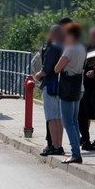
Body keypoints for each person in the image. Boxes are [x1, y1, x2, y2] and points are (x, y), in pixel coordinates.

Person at [54, 23, 86, 164]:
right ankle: (76, 149)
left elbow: (57, 68)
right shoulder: (81, 48)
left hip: (67, 88)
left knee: (68, 122)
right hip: (79, 86)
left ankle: (75, 153)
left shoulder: (70, 50)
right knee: (74, 120)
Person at [35, 25, 64, 156]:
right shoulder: (66, 46)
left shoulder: (53, 47)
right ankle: (59, 145)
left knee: (52, 118)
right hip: (63, 84)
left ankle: (55, 146)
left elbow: (46, 68)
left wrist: (38, 75)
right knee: (59, 118)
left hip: (51, 83)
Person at [79, 27, 95, 151]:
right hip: (87, 84)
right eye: (92, 35)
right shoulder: (87, 47)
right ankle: (85, 136)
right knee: (86, 111)